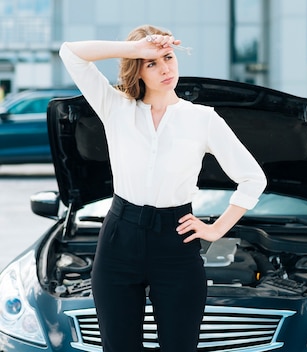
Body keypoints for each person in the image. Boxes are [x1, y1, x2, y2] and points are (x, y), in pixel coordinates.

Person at [59, 25, 267, 352]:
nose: (165, 68)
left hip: (176, 241)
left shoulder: (201, 119)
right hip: (119, 240)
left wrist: (216, 230)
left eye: (168, 58)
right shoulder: (115, 108)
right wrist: (137, 48)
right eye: (152, 63)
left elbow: (253, 177)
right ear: (137, 68)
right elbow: (71, 52)